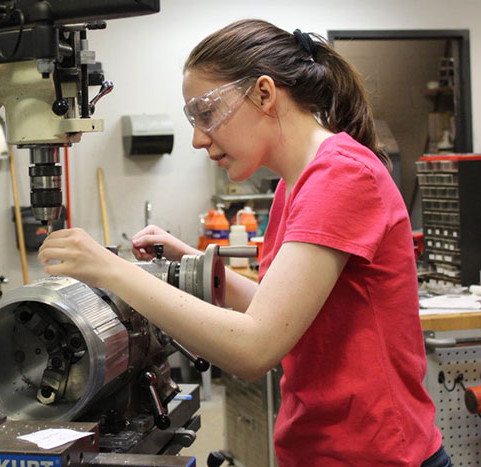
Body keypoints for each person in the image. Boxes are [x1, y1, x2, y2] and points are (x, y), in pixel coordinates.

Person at [39, 19, 448, 466]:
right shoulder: (295, 185)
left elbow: (255, 348)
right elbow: (278, 311)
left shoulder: (341, 176)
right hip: (323, 450)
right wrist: (195, 262)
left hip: (378, 455)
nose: (197, 138)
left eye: (206, 113)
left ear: (265, 93)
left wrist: (111, 270)